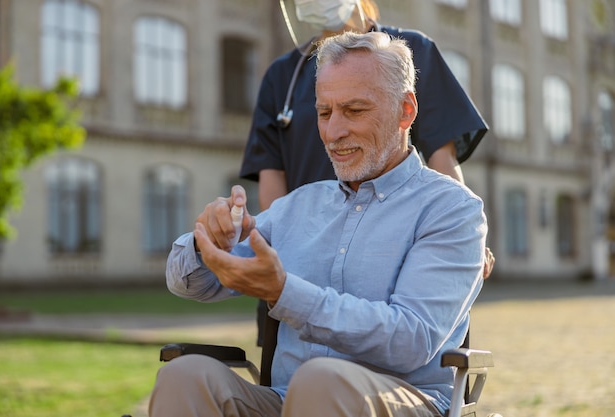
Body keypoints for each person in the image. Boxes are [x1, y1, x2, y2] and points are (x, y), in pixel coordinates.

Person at [149, 30, 487, 417]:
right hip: (286, 400)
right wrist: (207, 240)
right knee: (185, 375)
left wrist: (284, 292)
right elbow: (188, 282)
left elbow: (411, 341)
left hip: (406, 399)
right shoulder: (297, 206)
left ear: (406, 110)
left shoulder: (452, 210)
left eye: (354, 110)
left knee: (320, 382)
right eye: (324, 113)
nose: (334, 132)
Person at [240, 0, 495, 278]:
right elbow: (271, 179)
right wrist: (281, 258)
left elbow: (441, 157)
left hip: (392, 251)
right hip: (304, 258)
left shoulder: (410, 52)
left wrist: (461, 231)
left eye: (354, 109)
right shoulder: (282, 76)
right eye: (324, 112)